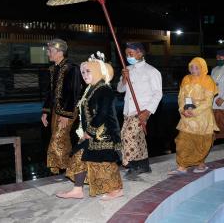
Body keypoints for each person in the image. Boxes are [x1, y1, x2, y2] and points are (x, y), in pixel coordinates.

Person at [56, 52, 123, 201]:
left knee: (103, 163)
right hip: (90, 134)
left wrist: (90, 131)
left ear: (98, 71)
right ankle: (77, 190)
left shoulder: (104, 89)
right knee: (78, 157)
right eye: (83, 72)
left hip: (103, 134)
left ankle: (116, 189)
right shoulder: (91, 89)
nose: (84, 75)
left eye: (88, 71)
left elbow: (103, 113)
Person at [117, 42, 162, 180]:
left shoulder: (152, 71)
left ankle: (132, 165)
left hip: (141, 110)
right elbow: (120, 89)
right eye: (126, 54)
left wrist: (147, 112)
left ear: (140, 53)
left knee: (127, 136)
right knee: (138, 139)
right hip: (128, 110)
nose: (127, 56)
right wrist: (124, 79)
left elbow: (158, 93)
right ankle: (144, 165)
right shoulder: (127, 69)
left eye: (130, 54)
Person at [169, 57, 219, 175]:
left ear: (203, 68)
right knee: (182, 140)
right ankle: (182, 166)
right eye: (191, 67)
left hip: (202, 117)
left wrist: (195, 111)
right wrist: (182, 109)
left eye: (196, 67)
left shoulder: (208, 80)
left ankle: (201, 163)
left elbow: (208, 102)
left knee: (201, 143)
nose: (193, 69)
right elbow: (181, 97)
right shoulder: (186, 79)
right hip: (187, 117)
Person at [41, 38, 83, 174]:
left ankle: (60, 168)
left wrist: (66, 114)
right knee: (62, 138)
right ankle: (67, 168)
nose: (48, 53)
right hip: (55, 111)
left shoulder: (72, 68)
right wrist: (45, 112)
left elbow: (74, 92)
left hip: (68, 111)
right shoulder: (53, 69)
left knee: (57, 138)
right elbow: (49, 92)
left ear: (59, 52)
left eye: (50, 51)